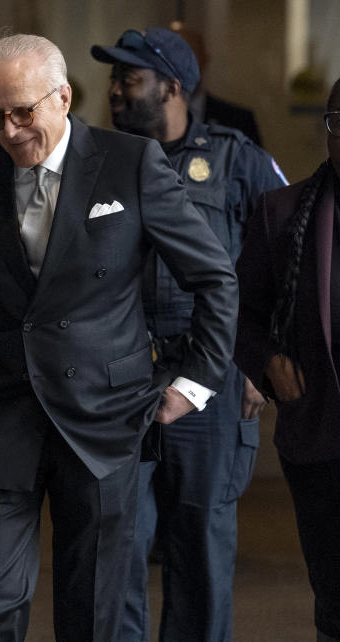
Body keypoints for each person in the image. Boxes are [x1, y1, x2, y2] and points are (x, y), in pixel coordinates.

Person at [0, 33, 239, 641]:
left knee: (95, 611)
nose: (9, 130)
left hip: (105, 417)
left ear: (63, 98)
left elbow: (214, 278)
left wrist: (194, 383)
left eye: (23, 112)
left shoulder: (131, 162)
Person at [90, 27, 288, 642]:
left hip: (209, 376)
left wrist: (257, 355)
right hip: (122, 379)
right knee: (117, 541)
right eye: (114, 79)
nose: (115, 91)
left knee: (200, 541)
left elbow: (287, 263)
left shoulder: (238, 160)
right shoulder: (99, 161)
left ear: (172, 87)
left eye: (129, 79)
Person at [235, 77, 340, 642]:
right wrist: (267, 359)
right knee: (334, 598)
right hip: (320, 437)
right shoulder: (282, 212)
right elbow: (240, 311)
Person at [169, 22, 265, 148]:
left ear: (204, 59)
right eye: (171, 57)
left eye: (189, 55)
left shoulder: (238, 122)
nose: (180, 64)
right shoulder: (143, 122)